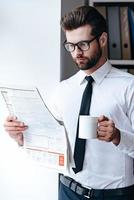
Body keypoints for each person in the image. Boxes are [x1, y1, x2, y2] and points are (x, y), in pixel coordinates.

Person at [4, 5, 134, 200]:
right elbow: (52, 142)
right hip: (68, 191)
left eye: (83, 44)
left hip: (115, 195)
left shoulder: (129, 86)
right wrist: (22, 138)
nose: (76, 53)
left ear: (103, 40)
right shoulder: (63, 90)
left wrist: (117, 136)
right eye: (71, 46)